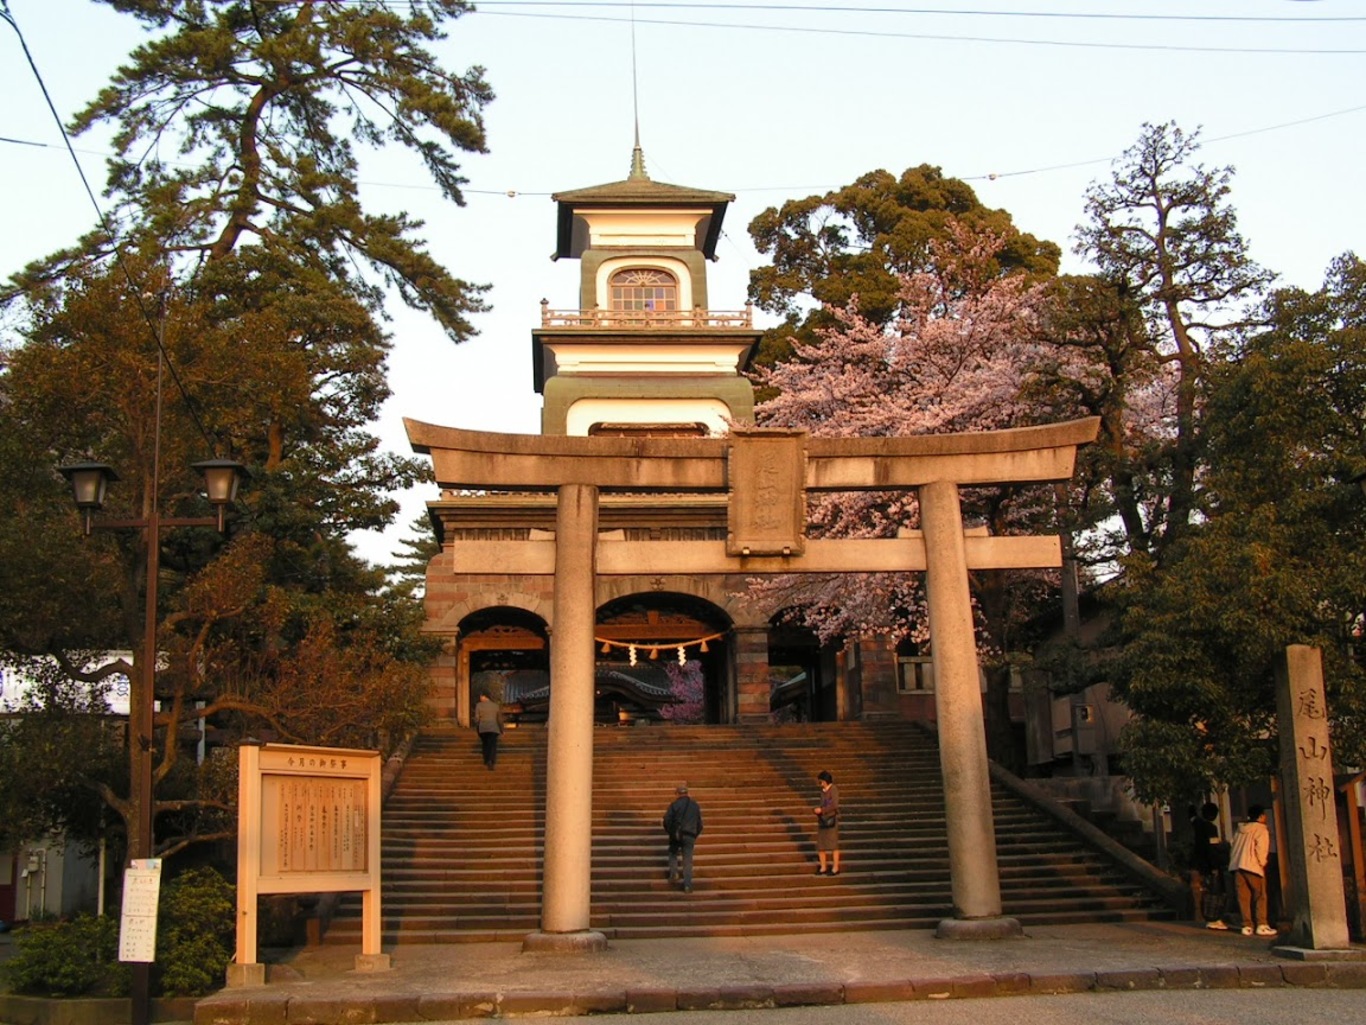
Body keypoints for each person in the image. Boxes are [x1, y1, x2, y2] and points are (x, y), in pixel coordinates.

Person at [1210, 804, 1276, 936]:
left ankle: (1247, 925)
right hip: (1253, 867)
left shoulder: (1240, 829)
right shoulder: (1261, 829)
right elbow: (1261, 848)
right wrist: (1262, 863)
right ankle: (1262, 924)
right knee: (1260, 896)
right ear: (1261, 816)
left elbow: (1232, 845)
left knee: (1243, 898)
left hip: (1237, 866)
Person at [663, 783, 703, 893]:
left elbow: (667, 820)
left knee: (672, 852)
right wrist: (694, 834)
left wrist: (671, 832)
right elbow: (699, 824)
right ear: (687, 793)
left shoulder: (674, 805)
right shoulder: (695, 806)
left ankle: (674, 873)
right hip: (690, 834)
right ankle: (688, 885)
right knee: (688, 860)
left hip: (677, 834)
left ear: (677, 794)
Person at [1189, 802, 1224, 924]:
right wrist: (1214, 866)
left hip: (1195, 861)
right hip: (1205, 864)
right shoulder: (1212, 828)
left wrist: (1192, 806)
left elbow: (1191, 815)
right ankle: (1208, 915)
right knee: (1207, 890)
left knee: (1196, 889)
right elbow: (1212, 849)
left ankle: (1197, 915)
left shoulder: (1197, 823)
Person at [813, 769, 841, 876]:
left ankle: (835, 867)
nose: (820, 784)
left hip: (831, 819)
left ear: (825, 781)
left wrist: (822, 810)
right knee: (821, 845)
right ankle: (823, 867)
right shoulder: (822, 792)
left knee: (833, 844)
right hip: (823, 820)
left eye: (821, 782)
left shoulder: (833, 789)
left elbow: (834, 805)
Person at [473, 692, 503, 770]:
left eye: (481, 696)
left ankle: (486, 759)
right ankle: (491, 760)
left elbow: (477, 718)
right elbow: (499, 719)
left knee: (485, 744)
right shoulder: (495, 706)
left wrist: (477, 725)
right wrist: (501, 729)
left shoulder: (479, 705)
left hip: (483, 728)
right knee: (492, 745)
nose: (480, 698)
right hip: (494, 728)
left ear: (484, 696)